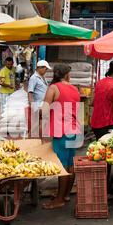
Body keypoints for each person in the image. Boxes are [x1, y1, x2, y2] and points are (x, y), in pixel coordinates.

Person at [41, 64, 81, 209]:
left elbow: (44, 110)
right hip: (74, 130)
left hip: (61, 131)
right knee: (70, 165)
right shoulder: (74, 88)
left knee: (62, 166)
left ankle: (59, 200)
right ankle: (65, 194)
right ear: (66, 75)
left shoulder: (54, 88)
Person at [27, 60, 51, 137]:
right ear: (40, 68)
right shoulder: (34, 78)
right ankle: (29, 138)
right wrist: (32, 105)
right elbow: (30, 92)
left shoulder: (43, 78)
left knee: (41, 122)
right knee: (36, 124)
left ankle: (37, 138)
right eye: (45, 69)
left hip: (43, 104)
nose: (46, 70)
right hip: (37, 105)